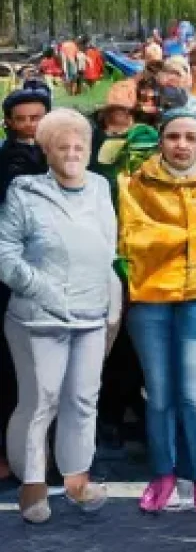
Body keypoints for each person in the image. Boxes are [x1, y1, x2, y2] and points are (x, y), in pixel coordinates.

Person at [0, 109, 119, 523]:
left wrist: (109, 300)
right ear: (47, 151)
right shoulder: (24, 191)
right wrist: (46, 291)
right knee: (40, 401)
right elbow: (6, 254)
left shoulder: (101, 187)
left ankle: (77, 481)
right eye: (62, 147)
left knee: (83, 399)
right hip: (38, 318)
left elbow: (109, 246)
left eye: (79, 146)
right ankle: (31, 483)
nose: (72, 153)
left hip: (90, 315)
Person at [119, 108, 196, 514]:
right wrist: (186, 236)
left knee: (195, 396)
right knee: (159, 395)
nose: (181, 145)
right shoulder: (137, 178)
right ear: (161, 140)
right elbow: (133, 234)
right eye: (173, 137)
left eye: (190, 138)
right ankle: (163, 475)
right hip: (150, 296)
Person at [0, 80, 51, 480]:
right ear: (9, 124)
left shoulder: (63, 155)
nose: (30, 126)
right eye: (22, 120)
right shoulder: (9, 164)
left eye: (37, 118)